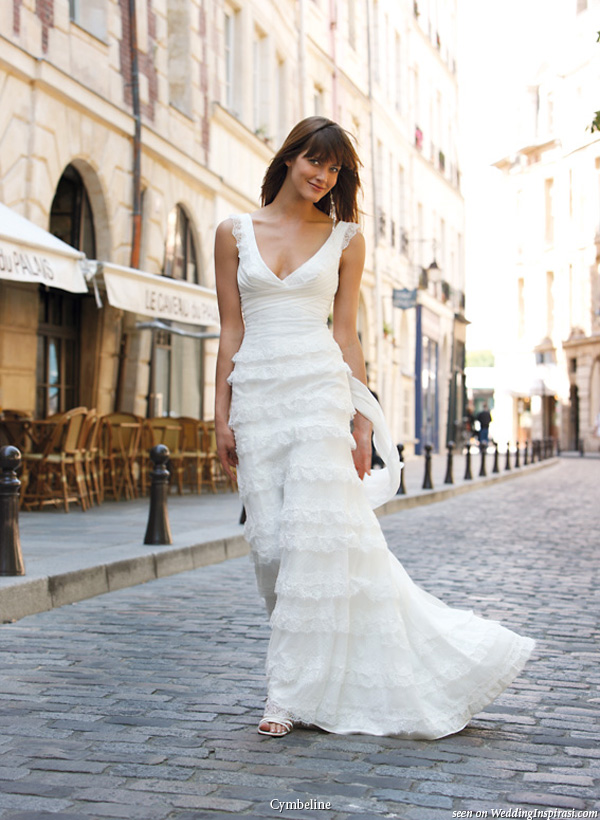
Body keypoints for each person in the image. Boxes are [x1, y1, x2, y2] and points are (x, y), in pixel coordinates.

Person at [214, 116, 535, 739]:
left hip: (318, 395)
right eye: (314, 160)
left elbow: (346, 334)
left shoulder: (346, 239)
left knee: (312, 544)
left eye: (334, 169)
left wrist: (362, 421)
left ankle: (285, 695)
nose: (322, 175)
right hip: (256, 398)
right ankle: (321, 671)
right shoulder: (232, 232)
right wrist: (218, 414)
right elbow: (230, 328)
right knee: (274, 549)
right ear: (288, 158)